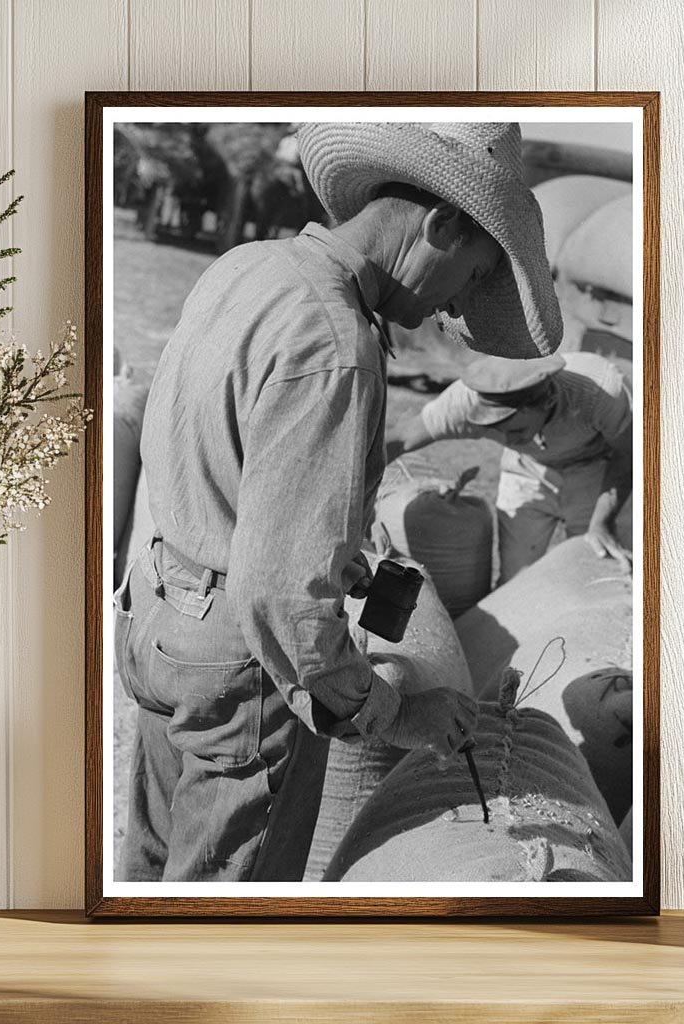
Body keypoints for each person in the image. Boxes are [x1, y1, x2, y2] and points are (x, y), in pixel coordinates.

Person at [114, 122, 563, 882]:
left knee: (151, 869)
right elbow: (281, 594)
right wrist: (397, 712)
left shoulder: (246, 266)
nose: (460, 306)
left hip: (159, 615)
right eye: (476, 274)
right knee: (224, 909)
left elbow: (206, 449)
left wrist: (331, 547)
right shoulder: (335, 345)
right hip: (239, 668)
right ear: (441, 225)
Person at [385, 350, 632, 582]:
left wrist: (602, 522)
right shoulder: (466, 401)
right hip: (526, 469)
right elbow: (400, 439)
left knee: (594, 568)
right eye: (497, 430)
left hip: (597, 472)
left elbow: (629, 452)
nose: (507, 439)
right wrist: (364, 505)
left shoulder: (601, 391)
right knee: (516, 577)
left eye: (516, 430)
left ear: (546, 402)